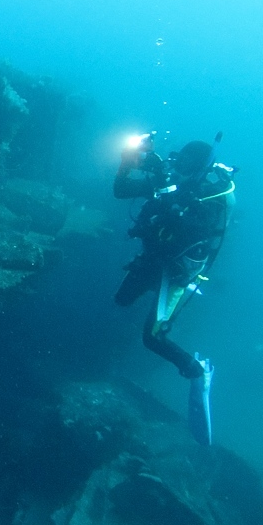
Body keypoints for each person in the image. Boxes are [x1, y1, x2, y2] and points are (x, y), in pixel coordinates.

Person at [113, 132, 236, 443]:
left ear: (198, 168)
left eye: (186, 165)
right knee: (123, 300)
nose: (178, 168)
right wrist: (127, 164)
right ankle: (158, 312)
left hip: (179, 273)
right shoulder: (170, 181)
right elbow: (121, 190)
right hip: (155, 261)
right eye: (178, 161)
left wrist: (166, 196)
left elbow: (187, 231)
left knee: (151, 339)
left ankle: (197, 372)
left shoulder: (209, 196)